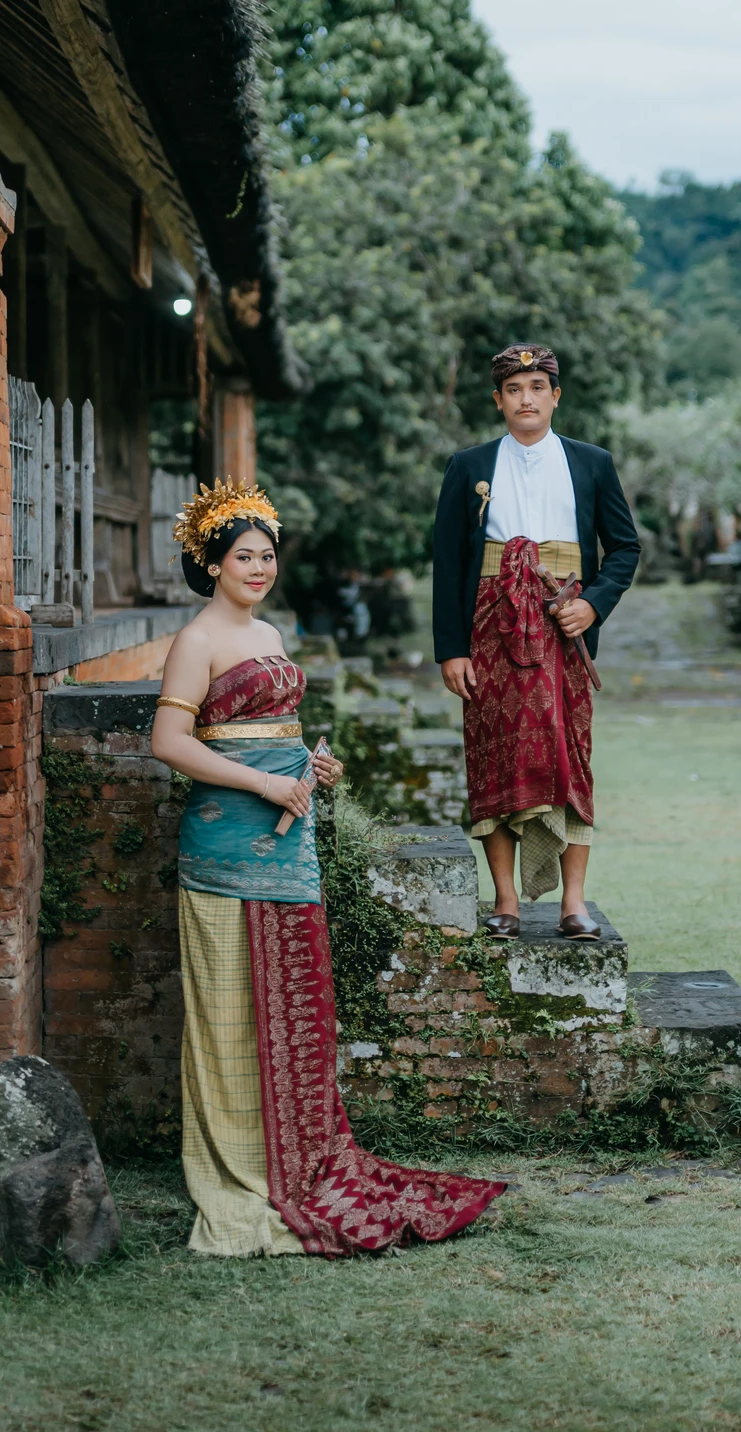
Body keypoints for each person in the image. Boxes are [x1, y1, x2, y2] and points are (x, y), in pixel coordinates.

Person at [151, 477, 504, 1258]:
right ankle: (244, 1171)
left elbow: (271, 731)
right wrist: (264, 784)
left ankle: (302, 1156)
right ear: (210, 564)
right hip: (226, 850)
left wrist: (310, 769)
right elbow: (169, 744)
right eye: (243, 557)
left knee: (296, 1006)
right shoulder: (195, 642)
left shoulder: (272, 632)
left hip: (289, 843)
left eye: (266, 556)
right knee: (230, 1013)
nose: (258, 569)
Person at [432, 345, 640, 940]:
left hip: (562, 626)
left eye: (537, 387)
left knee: (569, 756)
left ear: (555, 395)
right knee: (493, 755)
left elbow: (624, 547)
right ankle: (506, 902)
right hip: (488, 628)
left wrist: (592, 604)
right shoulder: (468, 466)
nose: (526, 398)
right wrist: (451, 648)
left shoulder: (592, 463)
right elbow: (448, 562)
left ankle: (574, 902)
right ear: (498, 400)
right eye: (514, 389)